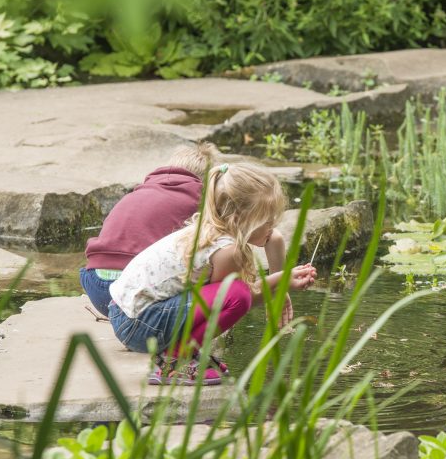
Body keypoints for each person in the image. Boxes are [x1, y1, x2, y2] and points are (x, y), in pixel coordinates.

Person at [107, 162, 316, 385]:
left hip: (127, 315)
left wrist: (280, 289)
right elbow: (235, 300)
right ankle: (175, 362)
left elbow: (273, 238)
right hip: (139, 325)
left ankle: (185, 354)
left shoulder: (213, 227)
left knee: (236, 292)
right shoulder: (227, 251)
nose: (273, 227)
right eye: (267, 221)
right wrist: (281, 281)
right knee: (238, 294)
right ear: (241, 219)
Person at [79, 142, 289, 317]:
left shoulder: (144, 189)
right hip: (129, 296)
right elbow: (222, 294)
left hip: (94, 282)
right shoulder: (201, 202)